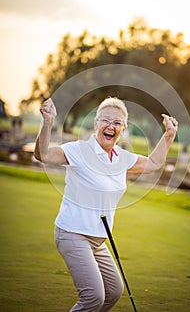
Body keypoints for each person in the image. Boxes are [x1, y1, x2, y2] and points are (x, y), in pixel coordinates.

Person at [34, 96, 178, 312]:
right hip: (73, 233)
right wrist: (47, 123)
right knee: (93, 296)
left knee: (113, 292)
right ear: (96, 123)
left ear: (124, 129)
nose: (111, 126)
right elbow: (42, 154)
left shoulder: (122, 158)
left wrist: (169, 135)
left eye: (117, 123)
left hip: (98, 241)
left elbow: (153, 163)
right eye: (106, 121)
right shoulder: (79, 150)